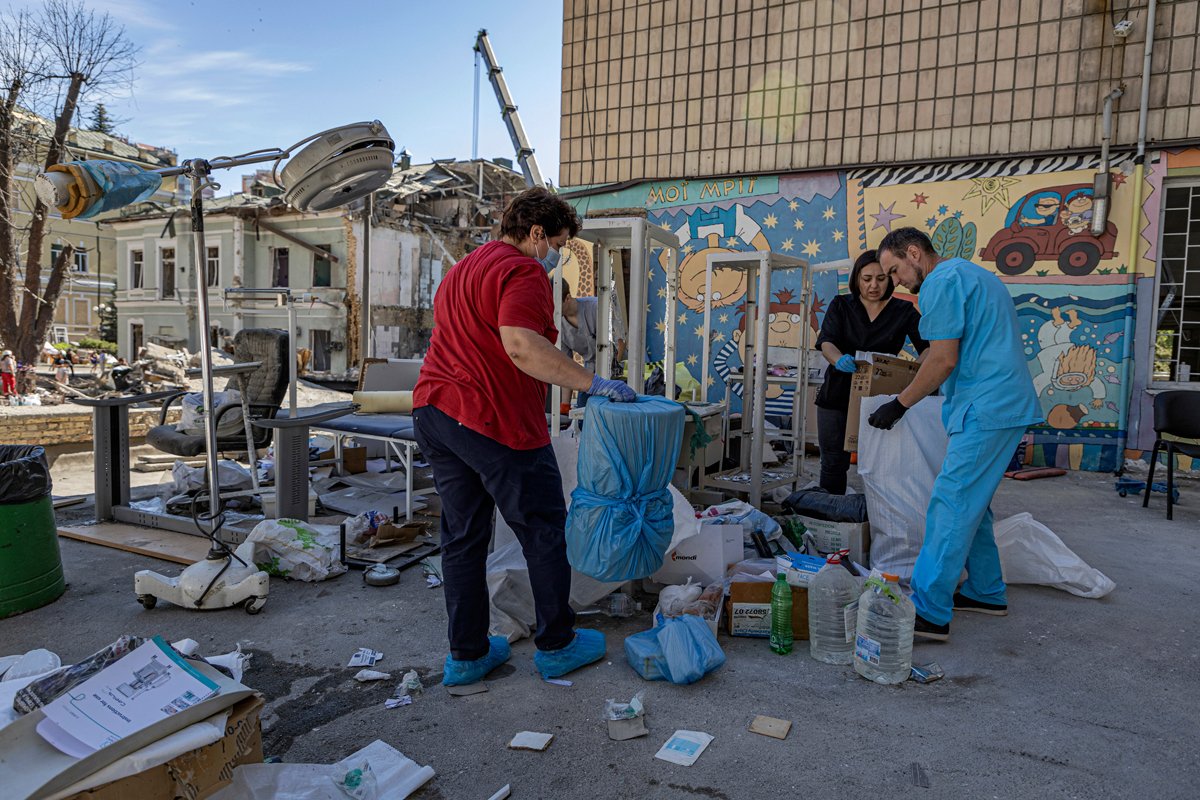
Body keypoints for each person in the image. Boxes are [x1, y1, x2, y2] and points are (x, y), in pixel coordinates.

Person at [412, 187, 637, 687]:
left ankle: (467, 655)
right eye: (556, 243)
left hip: (436, 412)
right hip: (493, 418)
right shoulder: (523, 269)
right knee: (543, 529)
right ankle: (558, 644)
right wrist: (593, 383)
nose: (555, 254)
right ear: (536, 233)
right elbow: (520, 345)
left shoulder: (463, 269)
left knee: (463, 538)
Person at [869, 227, 1042, 642]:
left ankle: (930, 611)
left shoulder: (940, 283)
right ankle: (985, 591)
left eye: (894, 271)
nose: (896, 282)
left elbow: (944, 360)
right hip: (999, 403)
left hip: (986, 407)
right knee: (973, 504)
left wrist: (900, 404)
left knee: (951, 502)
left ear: (914, 253)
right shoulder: (970, 273)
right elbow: (950, 350)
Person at [813, 249, 928, 494]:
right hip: (837, 394)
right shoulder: (841, 304)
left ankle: (879, 515)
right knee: (833, 463)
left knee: (882, 464)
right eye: (866, 279)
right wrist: (838, 360)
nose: (873, 285)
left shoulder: (904, 310)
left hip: (882, 400)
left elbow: (929, 348)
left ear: (891, 279)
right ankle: (831, 512)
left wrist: (911, 374)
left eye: (881, 278)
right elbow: (826, 342)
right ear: (857, 279)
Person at [559, 281, 627, 407]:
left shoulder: (596, 308)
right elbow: (566, 366)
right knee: (583, 410)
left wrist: (612, 375)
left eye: (556, 305)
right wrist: (565, 405)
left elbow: (620, 342)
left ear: (567, 298)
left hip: (617, 369)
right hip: (590, 373)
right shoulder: (559, 325)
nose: (553, 310)